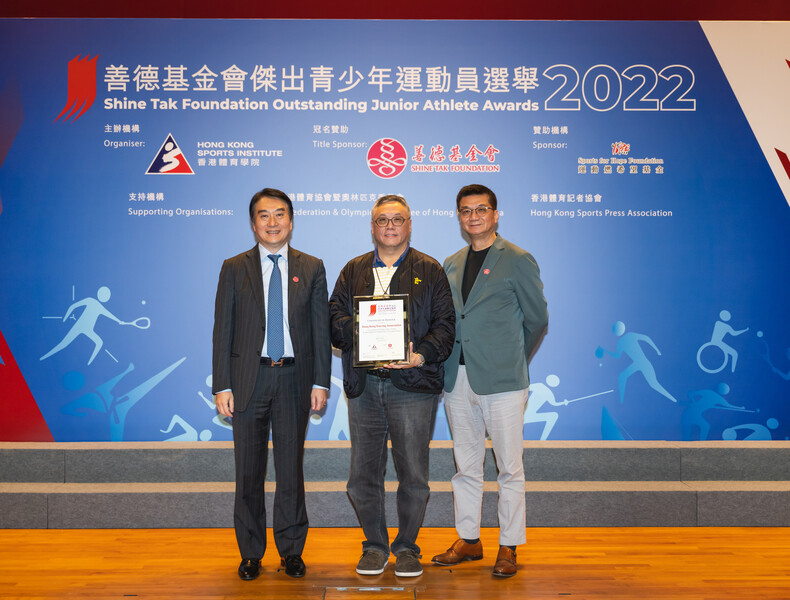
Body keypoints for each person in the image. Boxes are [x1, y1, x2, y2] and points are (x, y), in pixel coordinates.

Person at [329, 195, 455, 578]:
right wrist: (362, 334)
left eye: (397, 219)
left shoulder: (430, 270)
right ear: (372, 226)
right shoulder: (353, 270)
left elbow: (446, 327)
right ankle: (374, 546)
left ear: (410, 224)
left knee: (413, 473)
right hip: (365, 386)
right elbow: (333, 320)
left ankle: (407, 548)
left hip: (412, 385)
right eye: (382, 219)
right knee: (363, 474)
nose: (389, 226)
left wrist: (420, 355)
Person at [212, 188, 331, 581]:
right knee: (248, 471)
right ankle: (250, 552)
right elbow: (222, 330)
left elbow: (319, 330)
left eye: (280, 214)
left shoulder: (312, 267)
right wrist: (222, 385)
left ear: (292, 221)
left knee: (290, 470)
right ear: (253, 223)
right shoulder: (233, 267)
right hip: (249, 379)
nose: (273, 222)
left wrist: (320, 381)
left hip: (296, 378)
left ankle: (291, 551)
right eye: (264, 215)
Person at [432, 184, 548, 578]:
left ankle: (509, 545)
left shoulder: (516, 259)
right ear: (459, 217)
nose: (474, 216)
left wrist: (512, 358)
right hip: (456, 376)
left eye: (481, 209)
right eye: (466, 210)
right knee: (465, 466)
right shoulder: (451, 262)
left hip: (503, 379)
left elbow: (537, 321)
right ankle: (469, 539)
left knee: (509, 468)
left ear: (496, 214)